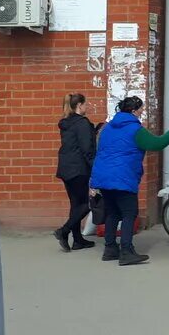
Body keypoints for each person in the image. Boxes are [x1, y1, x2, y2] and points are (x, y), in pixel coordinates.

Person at [89, 96, 169, 265]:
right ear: (133, 111)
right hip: (122, 177)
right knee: (129, 213)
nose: (142, 112)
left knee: (112, 213)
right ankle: (126, 251)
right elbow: (156, 144)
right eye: (140, 109)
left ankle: (110, 249)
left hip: (103, 176)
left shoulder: (107, 128)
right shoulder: (135, 129)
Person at [53, 93, 97, 252]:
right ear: (79, 105)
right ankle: (64, 230)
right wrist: (95, 169)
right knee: (91, 202)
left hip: (66, 168)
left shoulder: (66, 123)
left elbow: (74, 142)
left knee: (76, 204)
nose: (87, 107)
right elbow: (87, 149)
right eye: (85, 104)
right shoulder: (82, 124)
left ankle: (77, 239)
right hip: (79, 168)